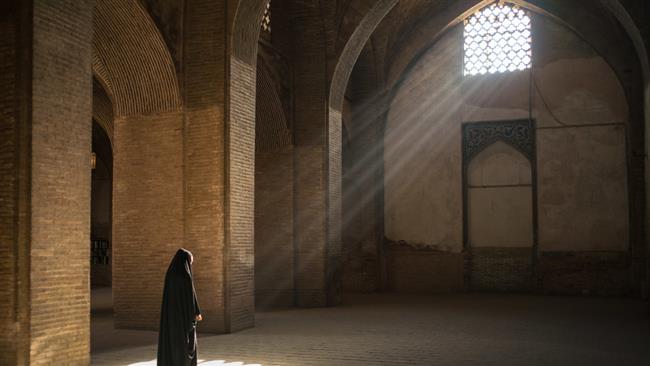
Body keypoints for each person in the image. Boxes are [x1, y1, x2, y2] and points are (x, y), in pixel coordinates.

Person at [157, 248, 203, 366]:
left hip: (170, 318)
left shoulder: (170, 274)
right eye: (190, 263)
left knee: (172, 343)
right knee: (185, 345)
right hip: (183, 319)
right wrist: (196, 313)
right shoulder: (185, 277)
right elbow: (190, 298)